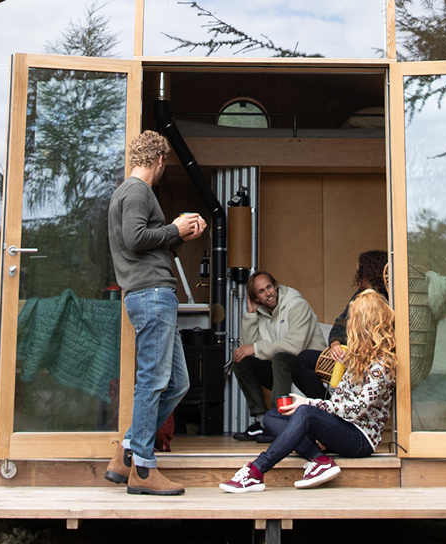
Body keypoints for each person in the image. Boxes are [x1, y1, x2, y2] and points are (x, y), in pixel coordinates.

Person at [102, 130, 206, 496]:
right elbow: (135, 238)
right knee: (152, 380)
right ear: (160, 160)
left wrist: (179, 234)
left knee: (177, 382)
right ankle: (143, 471)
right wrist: (173, 228)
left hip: (151, 294)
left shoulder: (128, 193)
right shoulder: (137, 191)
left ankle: (126, 455)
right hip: (151, 295)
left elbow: (144, 240)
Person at [219, 289, 395, 492]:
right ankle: (319, 460)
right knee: (273, 417)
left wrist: (310, 404)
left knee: (305, 412)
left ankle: (256, 471)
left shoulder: (382, 365)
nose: (349, 325)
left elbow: (356, 409)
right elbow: (340, 398)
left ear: (364, 324)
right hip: (341, 427)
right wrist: (323, 428)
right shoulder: (356, 357)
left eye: (353, 319)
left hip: (360, 439)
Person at [230, 271, 330, 442]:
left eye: (269, 287)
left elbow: (294, 347)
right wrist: (251, 315)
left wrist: (255, 348)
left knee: (281, 357)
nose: (268, 293)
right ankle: (261, 421)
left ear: (275, 286)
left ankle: (276, 420)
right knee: (242, 361)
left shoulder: (297, 305)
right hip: (282, 371)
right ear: (256, 298)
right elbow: (249, 348)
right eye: (261, 291)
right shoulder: (260, 312)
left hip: (309, 372)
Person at [298, 250, 389, 386]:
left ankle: (328, 405)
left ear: (369, 274)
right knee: (302, 361)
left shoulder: (384, 301)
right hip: (346, 355)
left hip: (367, 359)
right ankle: (327, 403)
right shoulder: (359, 294)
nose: (356, 277)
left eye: (360, 273)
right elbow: (341, 322)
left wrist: (354, 352)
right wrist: (335, 344)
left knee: (303, 361)